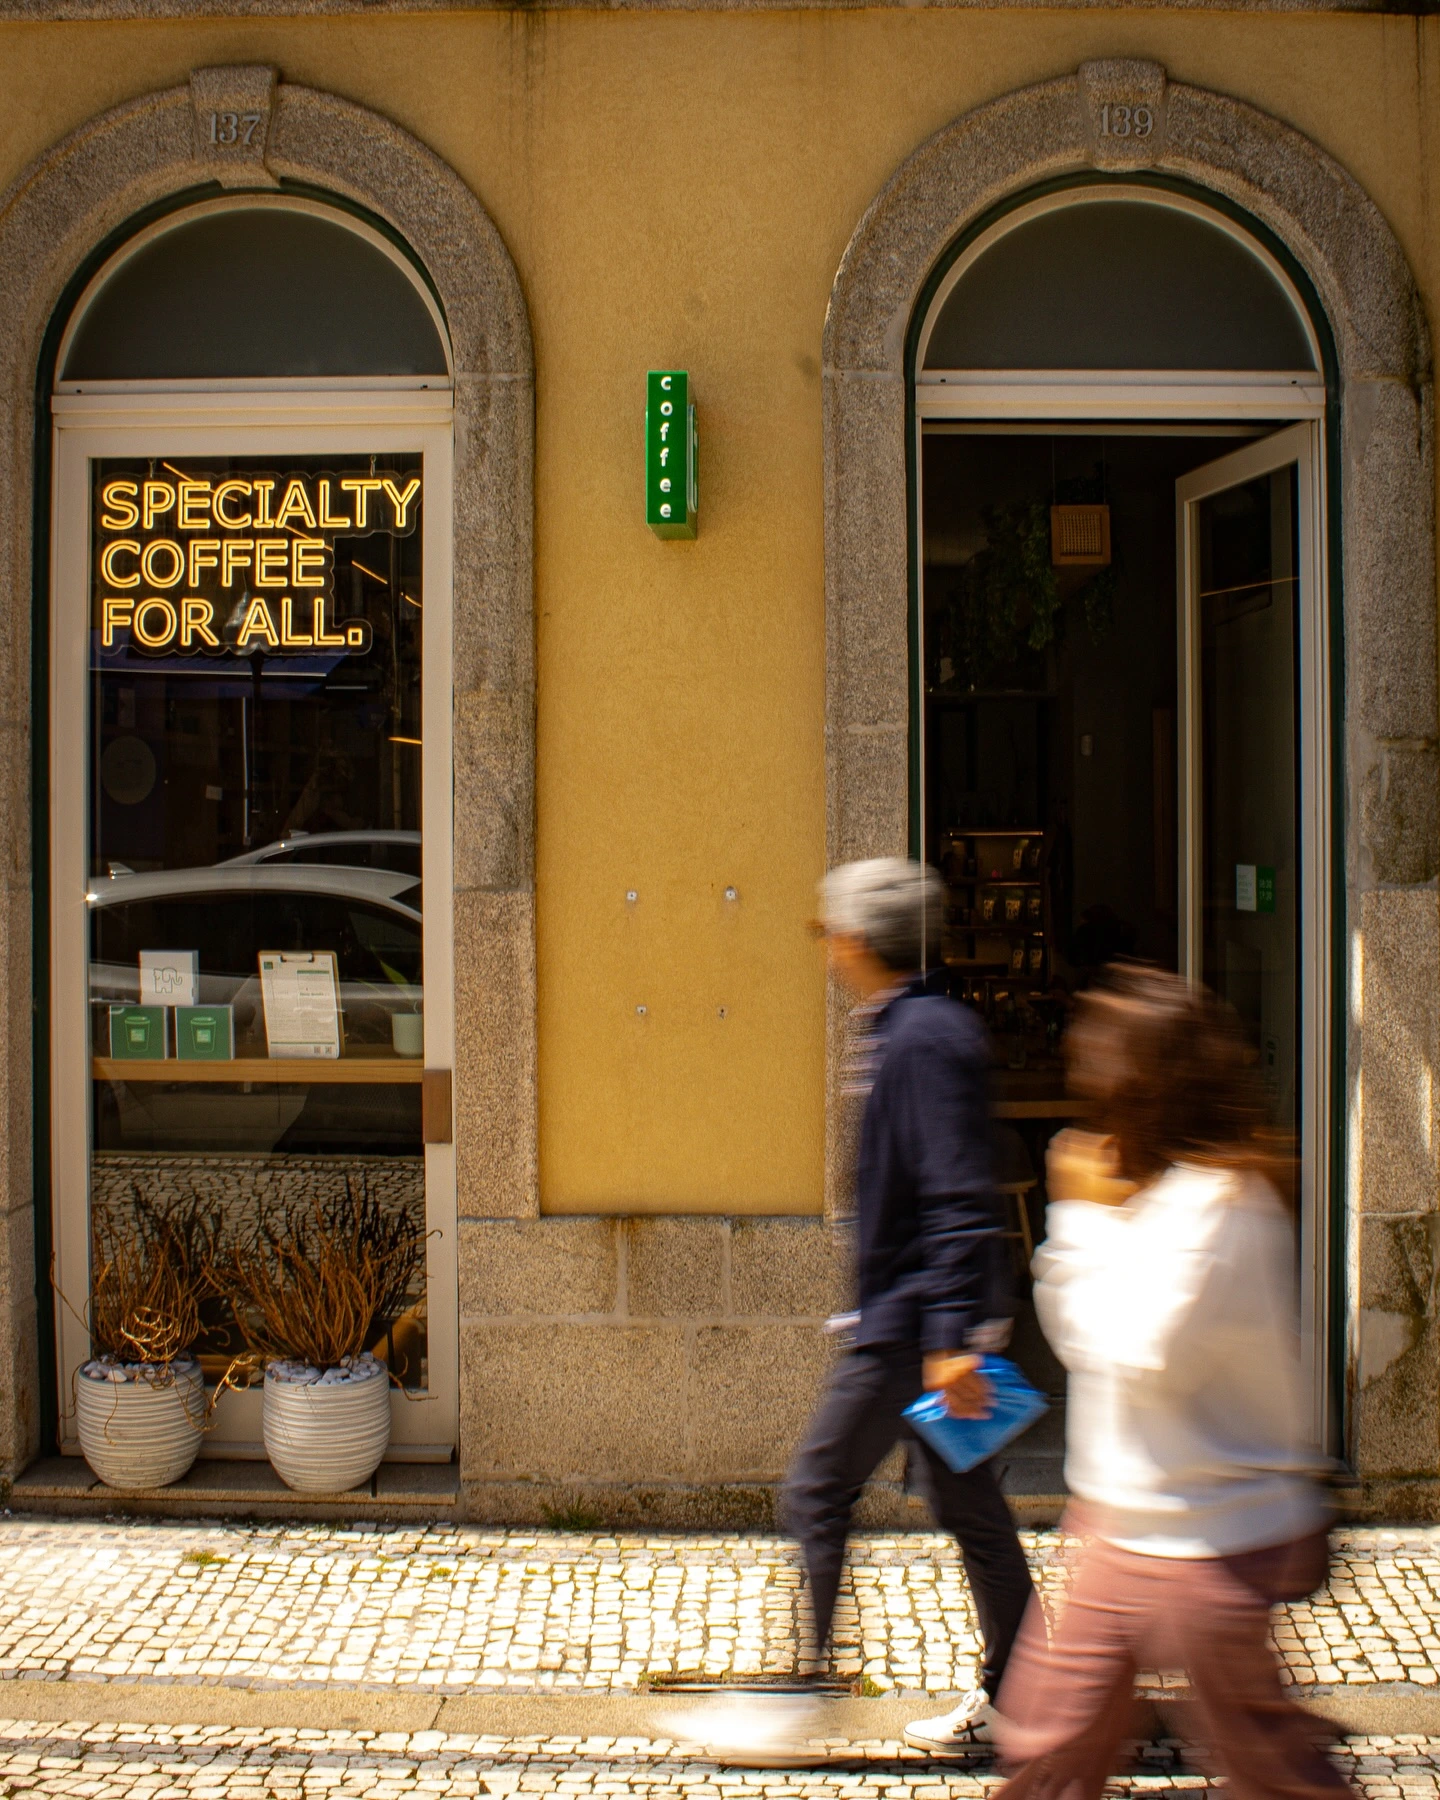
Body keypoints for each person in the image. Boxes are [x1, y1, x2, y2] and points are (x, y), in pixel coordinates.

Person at [678, 858, 1033, 1768]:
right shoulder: (916, 1027)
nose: (828, 950)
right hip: (923, 1325)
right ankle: (1025, 1697)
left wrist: (949, 1343)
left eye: (832, 932)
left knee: (817, 1489)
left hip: (917, 1333)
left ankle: (806, 1690)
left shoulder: (921, 1039)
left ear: (863, 941)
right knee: (971, 1508)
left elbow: (958, 1196)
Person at [993, 963, 1349, 1800]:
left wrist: (1075, 1219)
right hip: (1126, 1531)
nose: (1087, 1092)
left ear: (1146, 1090)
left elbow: (1139, 1351)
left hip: (1214, 1539)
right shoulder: (1158, 1196)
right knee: (1048, 1748)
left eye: (1101, 1076)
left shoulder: (1223, 1206)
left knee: (1273, 1771)